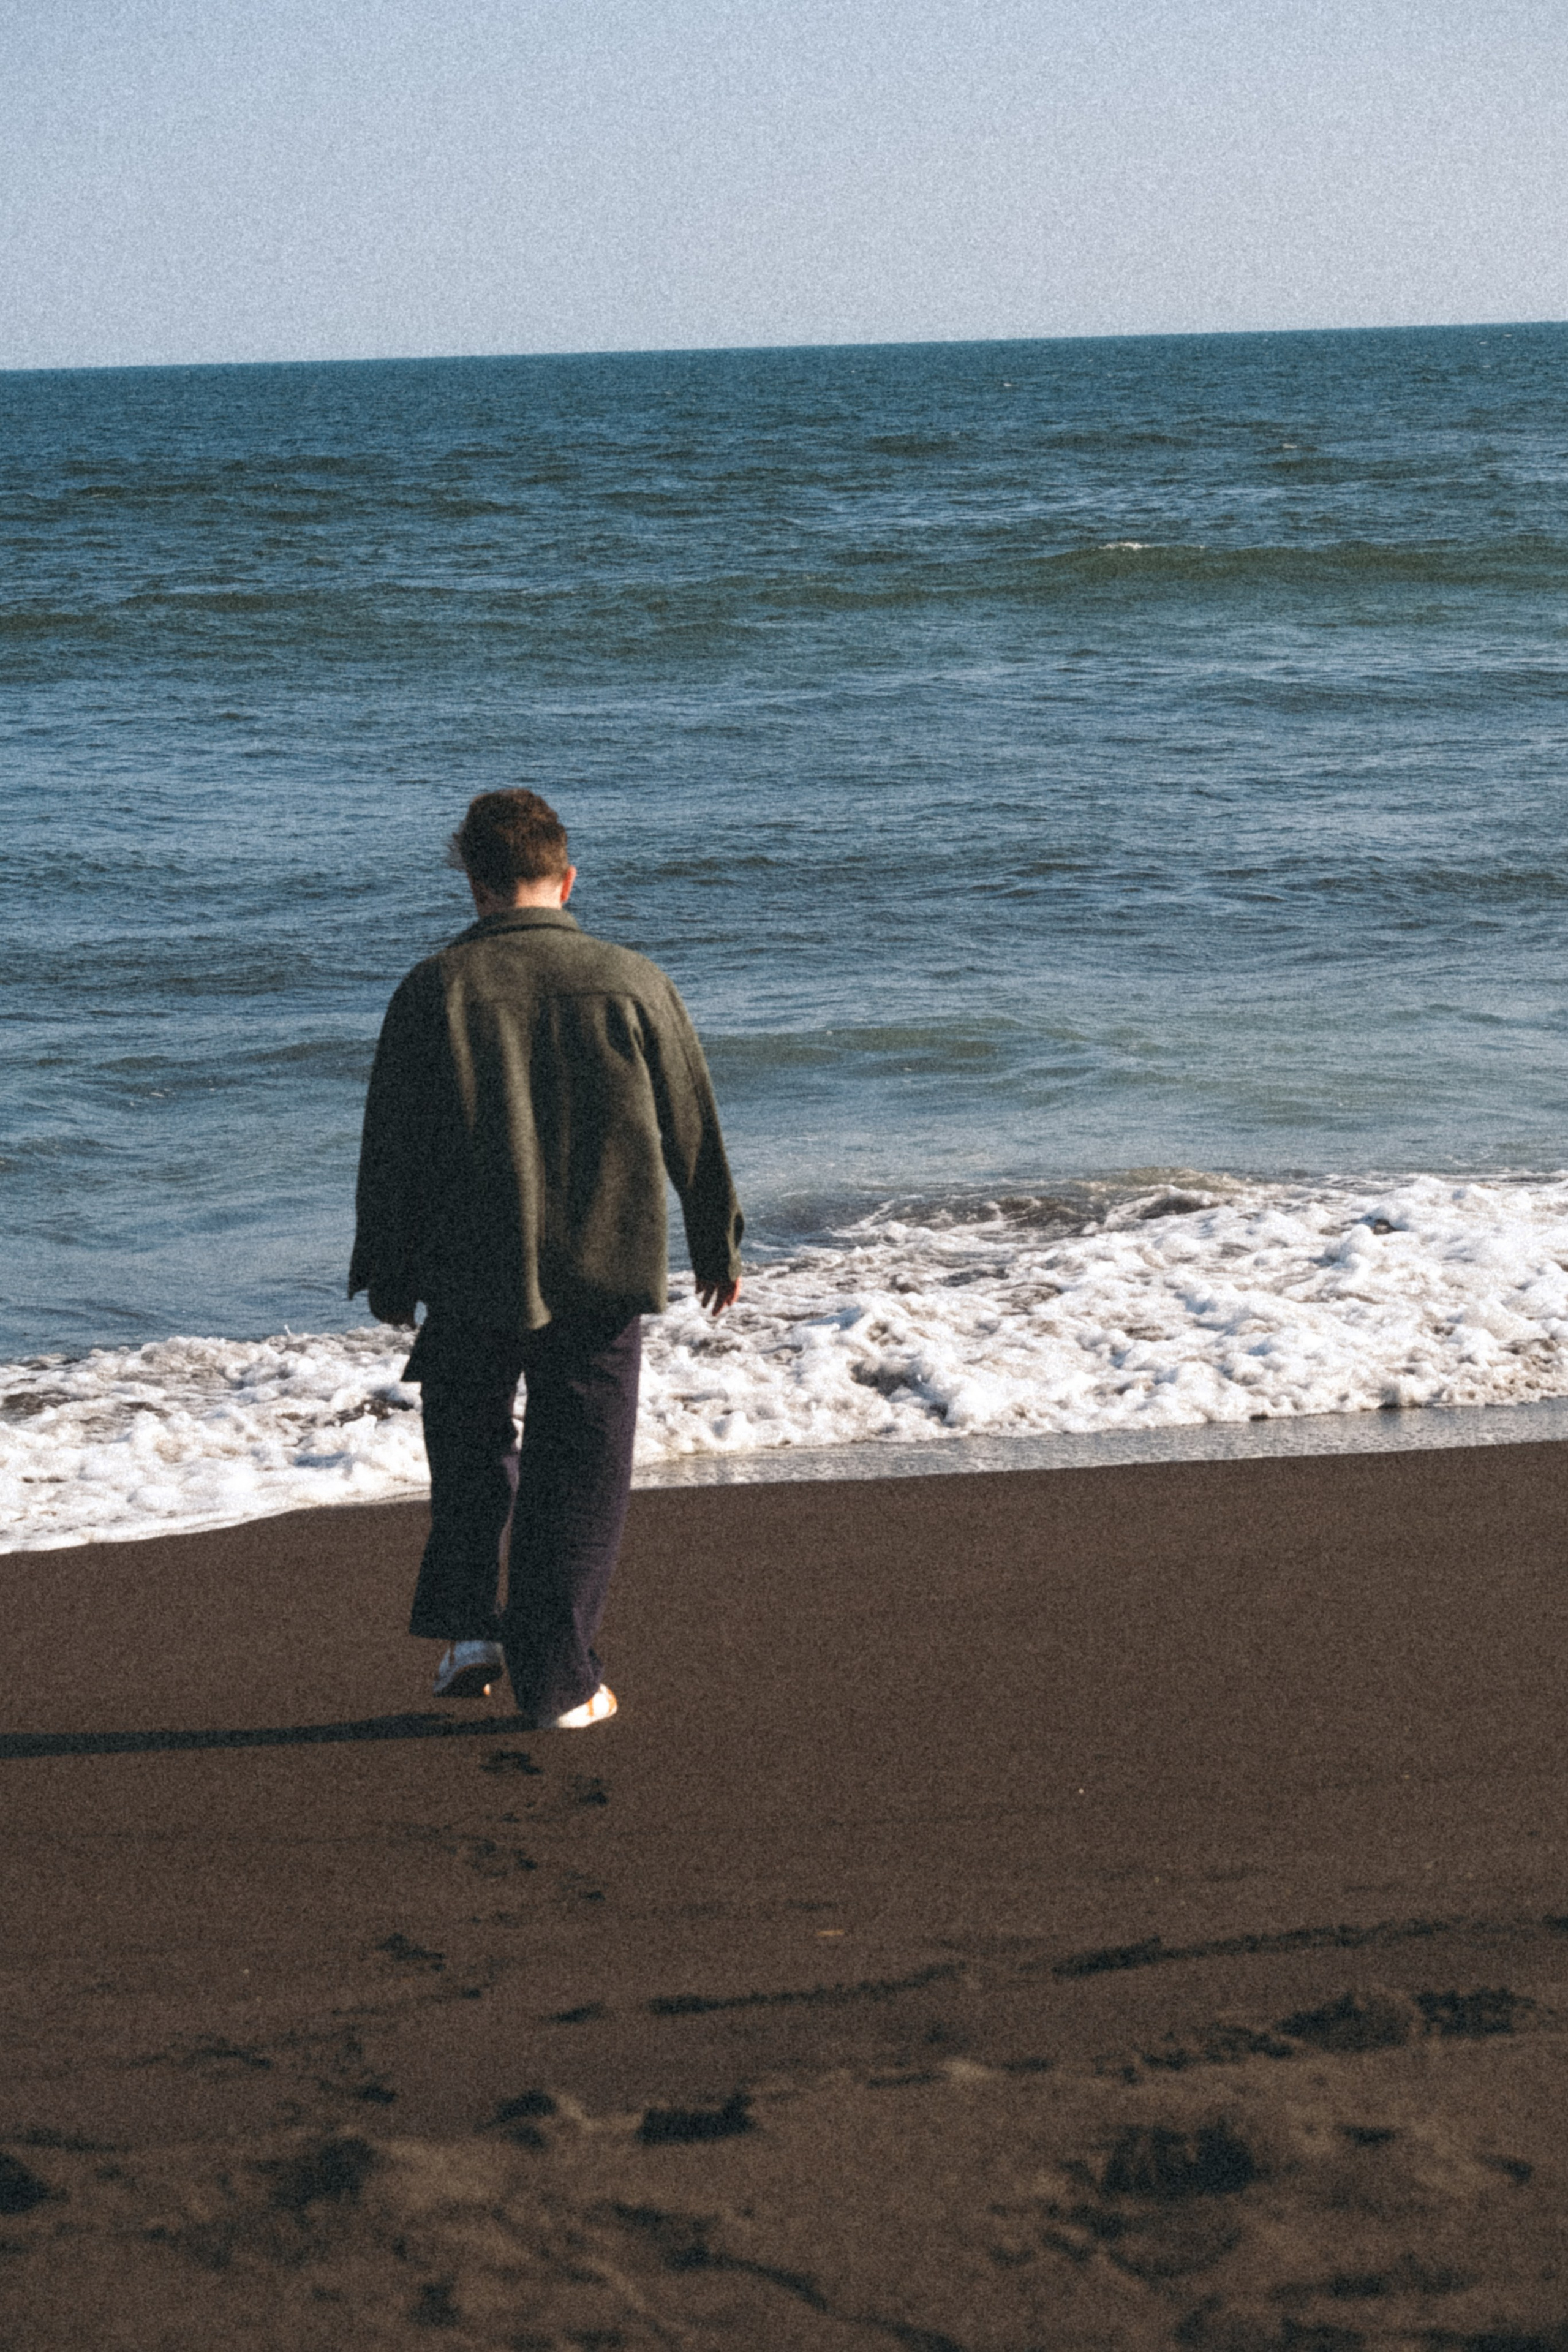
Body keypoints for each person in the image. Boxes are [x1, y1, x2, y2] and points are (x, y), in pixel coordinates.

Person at [349, 788, 742, 1730]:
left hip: (469, 1267)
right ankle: (560, 1680)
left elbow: (391, 1147)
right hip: (604, 1261)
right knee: (583, 1465)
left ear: (475, 884)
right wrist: (715, 1238)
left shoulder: (433, 988)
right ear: (566, 879)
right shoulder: (633, 980)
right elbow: (693, 1118)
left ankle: (471, 1635)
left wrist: (387, 1269)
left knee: (470, 1448)